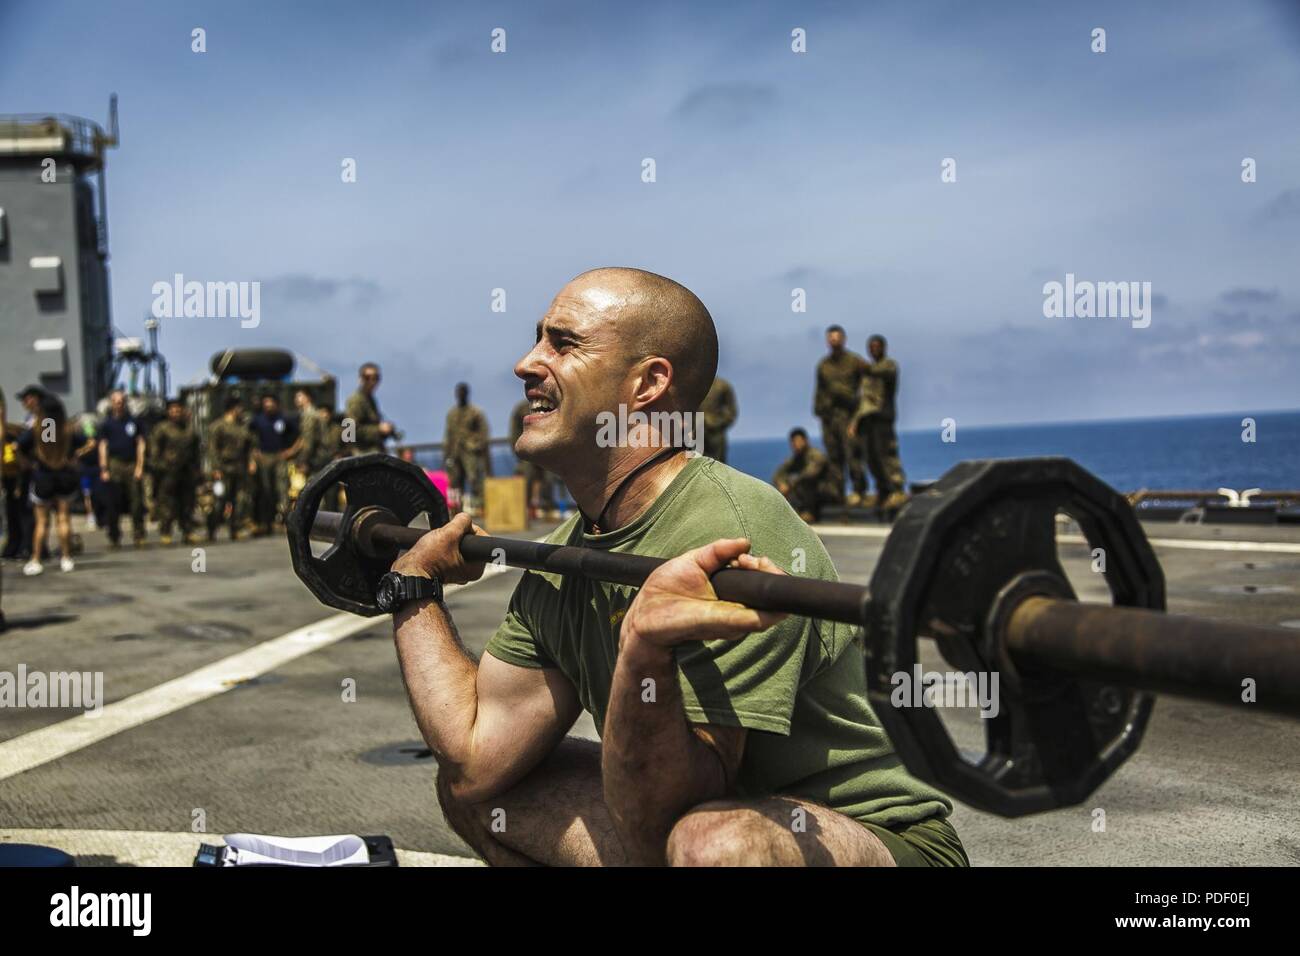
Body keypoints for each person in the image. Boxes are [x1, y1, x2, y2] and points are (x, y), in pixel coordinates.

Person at [385, 267, 964, 867]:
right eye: (537, 339)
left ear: (647, 384)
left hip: (874, 838)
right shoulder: (563, 557)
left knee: (708, 846)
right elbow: (474, 759)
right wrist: (414, 588)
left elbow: (670, 815)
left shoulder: (733, 532)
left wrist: (642, 644)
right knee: (490, 797)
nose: (526, 364)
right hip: (696, 822)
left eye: (563, 343)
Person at [17, 393, 79, 575]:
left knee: (42, 522)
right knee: (64, 519)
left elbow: (20, 446)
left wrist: (27, 463)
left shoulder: (47, 425)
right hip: (65, 476)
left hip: (45, 476)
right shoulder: (67, 427)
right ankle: (66, 557)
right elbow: (88, 443)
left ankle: (36, 559)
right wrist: (73, 458)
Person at [849, 334, 908, 515]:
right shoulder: (867, 374)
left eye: (877, 346)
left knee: (887, 455)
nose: (874, 349)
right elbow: (864, 400)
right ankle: (883, 491)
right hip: (868, 420)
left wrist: (866, 368)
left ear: (884, 347)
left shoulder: (888, 365)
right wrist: (855, 422)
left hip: (883, 418)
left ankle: (897, 490)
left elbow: (883, 372)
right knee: (872, 458)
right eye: (871, 347)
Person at [813, 325, 868, 507]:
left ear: (843, 339)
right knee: (834, 458)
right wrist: (820, 412)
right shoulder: (823, 365)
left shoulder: (855, 362)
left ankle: (859, 492)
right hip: (830, 418)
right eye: (831, 338)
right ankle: (838, 496)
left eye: (837, 337)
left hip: (849, 416)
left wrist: (860, 416)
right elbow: (819, 391)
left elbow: (866, 387)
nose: (834, 340)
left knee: (853, 455)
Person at [97, 389, 148, 548]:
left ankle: (139, 534)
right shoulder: (106, 424)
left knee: (136, 501)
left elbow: (141, 444)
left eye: (121, 401)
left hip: (131, 463)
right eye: (116, 401)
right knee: (113, 502)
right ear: (111, 403)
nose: (119, 404)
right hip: (115, 463)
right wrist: (104, 468)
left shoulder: (134, 421)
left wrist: (140, 466)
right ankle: (114, 536)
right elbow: (103, 446)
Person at [149, 399, 201, 545]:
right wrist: (158, 468)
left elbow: (196, 451)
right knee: (166, 503)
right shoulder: (161, 429)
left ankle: (188, 531)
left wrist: (197, 470)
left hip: (186, 471)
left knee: (187, 503)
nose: (176, 412)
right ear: (168, 412)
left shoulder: (190, 430)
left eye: (178, 409)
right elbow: (154, 451)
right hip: (167, 472)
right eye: (173, 410)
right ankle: (166, 532)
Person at [248, 393, 298, 535]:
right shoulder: (258, 420)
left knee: (282, 488)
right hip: (264, 457)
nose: (268, 405)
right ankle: (266, 522)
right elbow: (250, 438)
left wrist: (290, 451)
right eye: (266, 402)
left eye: (271, 402)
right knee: (265, 489)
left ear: (277, 404)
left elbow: (299, 437)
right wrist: (253, 456)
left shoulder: (285, 419)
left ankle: (284, 520)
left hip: (279, 457)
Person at [207, 396, 255, 541]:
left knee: (239, 500)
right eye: (239, 408)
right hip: (223, 468)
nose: (241, 411)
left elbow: (249, 447)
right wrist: (216, 468)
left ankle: (235, 529)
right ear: (233, 408)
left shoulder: (242, 427)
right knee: (220, 501)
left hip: (239, 468)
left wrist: (250, 462)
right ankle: (212, 529)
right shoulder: (218, 426)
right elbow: (213, 449)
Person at [772, 427, 839, 523]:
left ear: (805, 441)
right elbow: (779, 473)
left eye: (798, 441)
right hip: (812, 494)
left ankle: (810, 513)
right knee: (787, 482)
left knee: (805, 482)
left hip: (828, 492)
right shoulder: (796, 458)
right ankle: (790, 511)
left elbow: (809, 474)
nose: (795, 445)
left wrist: (789, 485)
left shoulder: (816, 455)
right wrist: (781, 483)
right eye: (793, 442)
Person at [443, 383, 489, 515]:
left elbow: (483, 432)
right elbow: (448, 435)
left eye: (462, 392)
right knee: (456, 482)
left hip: (470, 452)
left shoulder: (475, 412)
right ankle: (458, 510)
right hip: (455, 453)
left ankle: (481, 508)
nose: (460, 395)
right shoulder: (452, 414)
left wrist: (475, 444)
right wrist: (447, 454)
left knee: (475, 480)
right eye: (458, 392)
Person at [509, 397, 558, 519]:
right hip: (528, 451)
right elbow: (514, 430)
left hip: (547, 449)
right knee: (527, 478)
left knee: (548, 479)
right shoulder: (521, 408)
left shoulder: (551, 404)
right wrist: (518, 449)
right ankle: (526, 509)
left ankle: (547, 509)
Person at [344, 363, 396, 455]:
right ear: (360, 379)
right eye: (367, 377)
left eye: (375, 378)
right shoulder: (356, 400)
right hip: (362, 456)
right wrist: (378, 429)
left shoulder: (370, 399)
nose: (372, 381)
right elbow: (349, 433)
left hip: (374, 454)